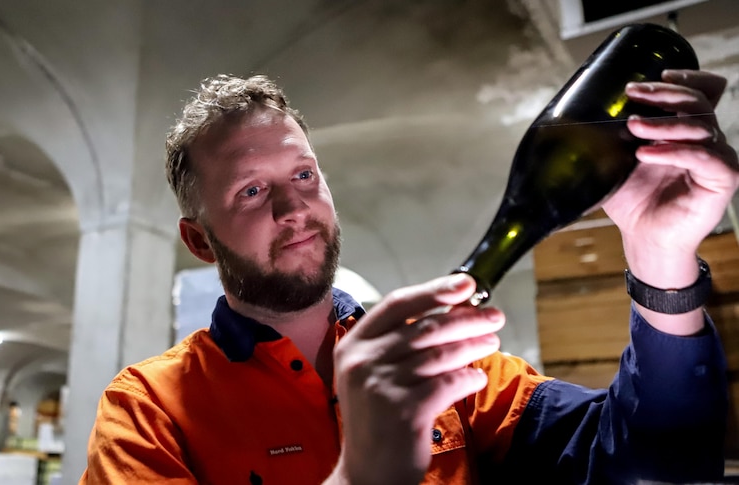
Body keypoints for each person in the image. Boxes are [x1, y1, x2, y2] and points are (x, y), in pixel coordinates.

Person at [80, 69, 738, 484]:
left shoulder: (445, 368)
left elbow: (654, 463)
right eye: (251, 191)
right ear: (199, 239)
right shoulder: (146, 410)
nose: (294, 208)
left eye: (304, 175)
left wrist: (660, 258)